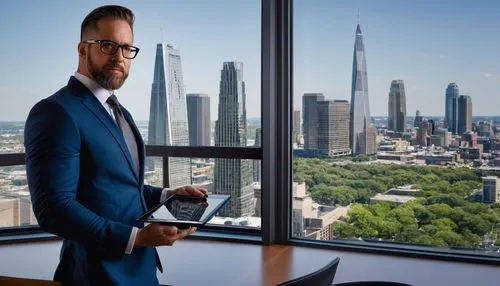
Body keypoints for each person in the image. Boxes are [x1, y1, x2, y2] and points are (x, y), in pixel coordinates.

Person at [24, 5, 206, 286]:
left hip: (139, 267)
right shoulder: (56, 112)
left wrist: (167, 195)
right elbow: (54, 209)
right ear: (83, 50)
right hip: (95, 273)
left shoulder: (118, 111)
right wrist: (136, 237)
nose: (119, 57)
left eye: (126, 48)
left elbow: (117, 187)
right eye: (107, 46)